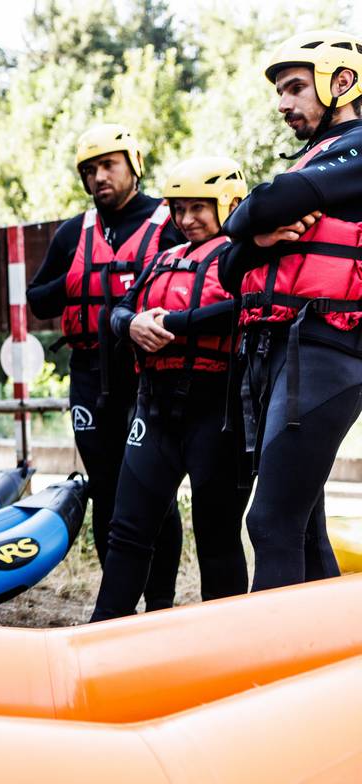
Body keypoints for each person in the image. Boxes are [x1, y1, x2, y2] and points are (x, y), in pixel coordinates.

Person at [219, 30, 362, 591]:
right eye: (279, 91)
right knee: (304, 532)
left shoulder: (357, 150)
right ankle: (334, 644)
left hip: (327, 351)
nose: (282, 103)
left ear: (342, 82)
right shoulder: (312, 161)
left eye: (295, 87)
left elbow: (260, 205)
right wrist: (255, 239)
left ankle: (269, 648)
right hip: (281, 352)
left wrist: (248, 222)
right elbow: (230, 267)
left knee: (271, 522)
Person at [27, 123, 186, 611]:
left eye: (109, 165)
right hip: (90, 376)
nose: (100, 177)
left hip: (151, 375)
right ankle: (118, 605)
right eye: (90, 170)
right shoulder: (73, 233)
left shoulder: (170, 221)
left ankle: (160, 604)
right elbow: (38, 299)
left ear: (133, 166)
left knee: (155, 491)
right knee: (106, 489)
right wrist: (78, 280)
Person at [90, 157, 252, 621]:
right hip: (155, 410)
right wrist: (132, 323)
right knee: (127, 530)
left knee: (217, 536)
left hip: (217, 412)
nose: (186, 219)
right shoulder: (164, 259)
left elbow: (243, 307)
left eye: (198, 207)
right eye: (179, 209)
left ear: (230, 204)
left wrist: (173, 324)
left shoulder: (243, 257)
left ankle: (226, 641)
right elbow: (116, 311)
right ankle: (105, 628)